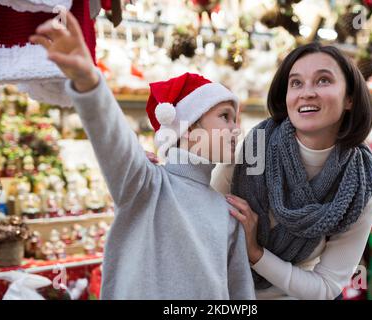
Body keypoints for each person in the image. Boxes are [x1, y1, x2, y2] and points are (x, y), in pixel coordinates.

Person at [30, 12, 255, 300]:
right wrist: (89, 83)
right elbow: (113, 140)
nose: (236, 129)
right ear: (187, 129)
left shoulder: (228, 213)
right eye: (225, 116)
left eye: (236, 119)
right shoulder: (146, 186)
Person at [211, 42, 372, 300]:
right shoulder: (250, 152)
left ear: (349, 98)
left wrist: (256, 254)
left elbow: (326, 287)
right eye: (296, 83)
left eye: (323, 80)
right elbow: (194, 220)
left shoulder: (359, 186)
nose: (306, 93)